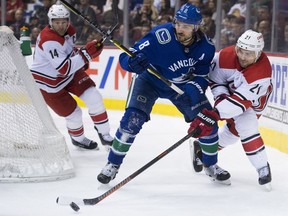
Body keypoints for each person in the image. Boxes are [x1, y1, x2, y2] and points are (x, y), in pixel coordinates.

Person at [97, 3, 231, 185]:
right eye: (178, 23)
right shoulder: (160, 36)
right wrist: (132, 62)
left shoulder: (206, 47)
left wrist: (195, 87)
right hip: (149, 81)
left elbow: (202, 74)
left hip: (181, 87)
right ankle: (112, 164)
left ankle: (210, 165)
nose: (179, 29)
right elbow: (127, 57)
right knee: (131, 121)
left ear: (196, 28)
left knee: (208, 123)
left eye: (185, 26)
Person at [188, 29, 273, 189]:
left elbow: (241, 100)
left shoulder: (261, 72)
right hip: (231, 95)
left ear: (258, 53)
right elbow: (216, 81)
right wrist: (220, 100)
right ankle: (263, 168)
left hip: (252, 101)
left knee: (234, 133)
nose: (242, 56)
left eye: (248, 53)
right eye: (240, 51)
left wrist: (215, 114)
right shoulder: (225, 57)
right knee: (247, 127)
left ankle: (203, 150)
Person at [30, 4, 113, 150]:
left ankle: (105, 135)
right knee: (74, 114)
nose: (61, 26)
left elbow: (68, 52)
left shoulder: (70, 30)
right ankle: (78, 139)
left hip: (68, 74)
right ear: (50, 22)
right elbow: (64, 69)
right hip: (49, 83)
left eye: (63, 22)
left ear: (68, 20)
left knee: (94, 97)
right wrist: (86, 55)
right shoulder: (49, 40)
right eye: (57, 22)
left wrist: (83, 55)